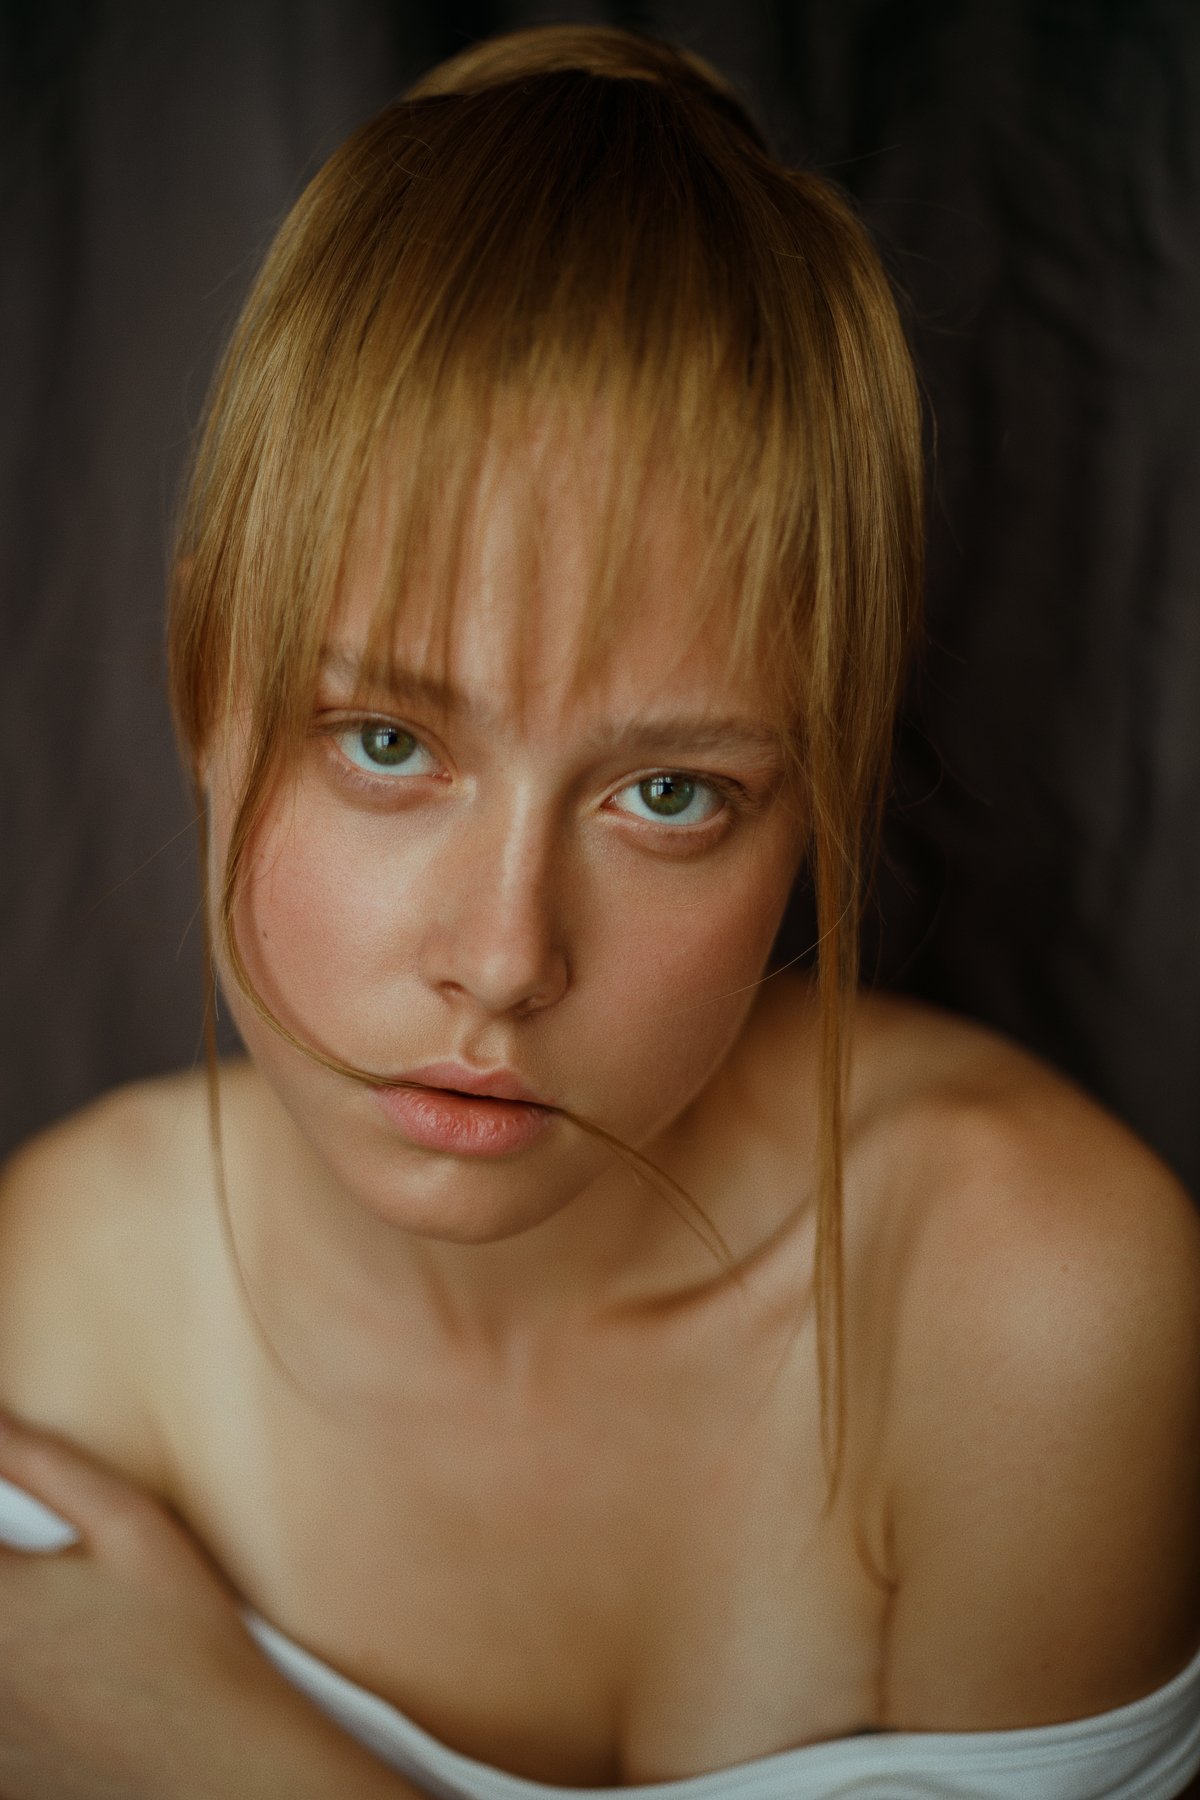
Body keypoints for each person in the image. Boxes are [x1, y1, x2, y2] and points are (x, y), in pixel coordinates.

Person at [2, 23, 1199, 1800]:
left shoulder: (1035, 1311)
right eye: (389, 742)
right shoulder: (65, 1305)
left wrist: (227, 1753)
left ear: (819, 795)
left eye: (670, 795)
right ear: (204, 689)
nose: (503, 959)